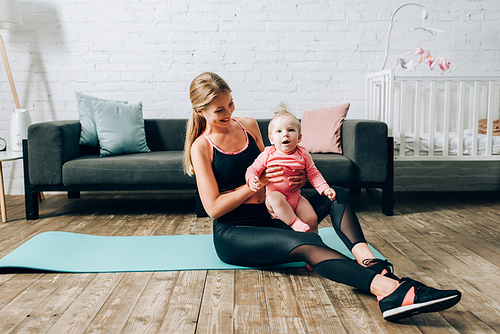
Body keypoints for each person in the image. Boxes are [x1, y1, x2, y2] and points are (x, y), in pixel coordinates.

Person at [184, 72, 461, 322]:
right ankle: (388, 290)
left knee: (336, 194)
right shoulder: (202, 147)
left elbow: (274, 161)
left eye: (231, 103)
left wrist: (300, 180)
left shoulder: (248, 125)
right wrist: (256, 185)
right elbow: (214, 208)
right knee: (306, 241)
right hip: (236, 231)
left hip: (272, 213)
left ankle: (369, 262)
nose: (229, 112)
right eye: (220, 109)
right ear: (200, 110)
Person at [245, 106, 336, 233]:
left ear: (299, 138)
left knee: (311, 218)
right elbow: (253, 168)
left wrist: (325, 189)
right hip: (275, 200)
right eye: (279, 131)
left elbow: (314, 174)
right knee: (275, 197)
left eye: (290, 130)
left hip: (295, 198)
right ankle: (294, 222)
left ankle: (314, 241)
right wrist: (251, 178)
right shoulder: (268, 153)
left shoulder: (303, 154)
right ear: (271, 139)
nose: (285, 134)